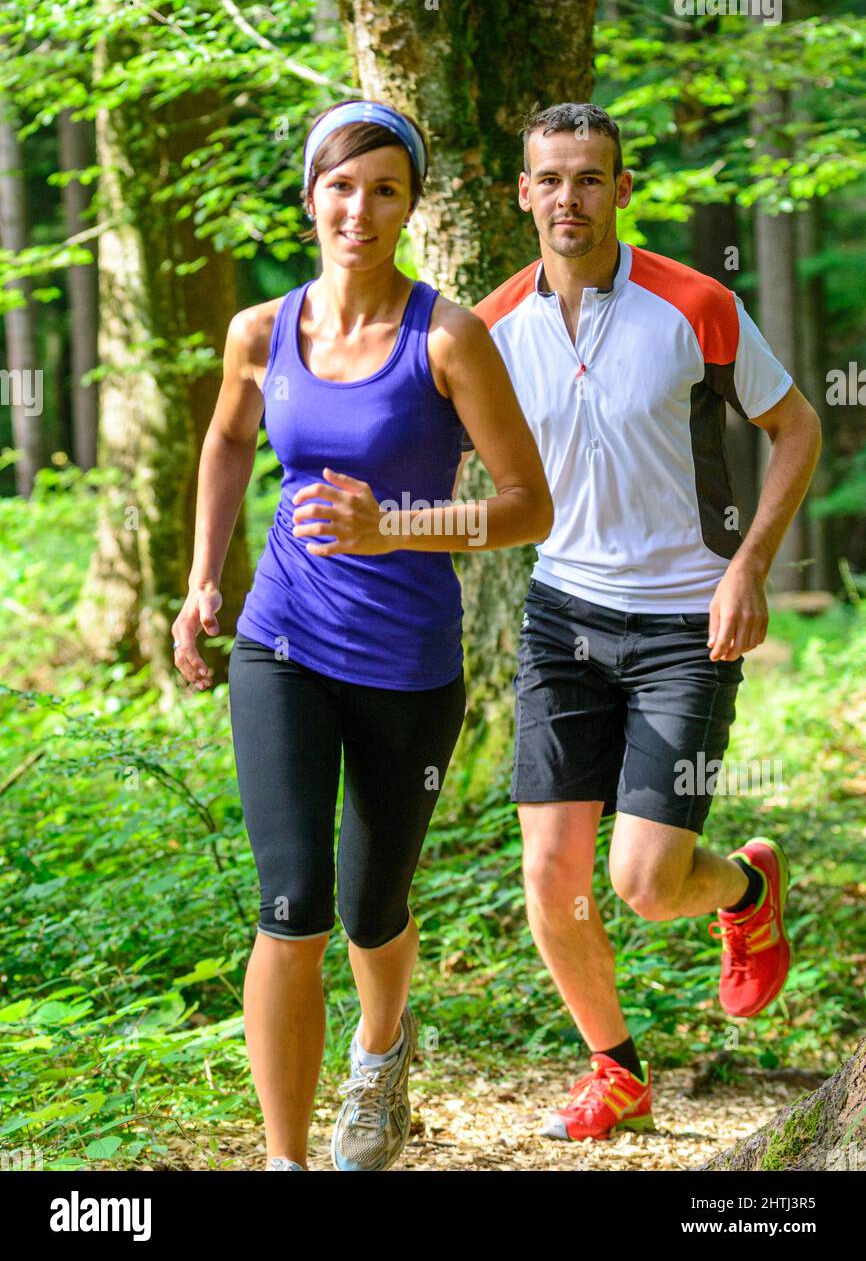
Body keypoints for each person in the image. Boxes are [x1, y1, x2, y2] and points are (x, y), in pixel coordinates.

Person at [171, 99, 552, 1172]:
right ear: (310, 198)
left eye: (384, 188)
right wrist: (205, 580)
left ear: (409, 205)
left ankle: (380, 1050)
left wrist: (394, 527)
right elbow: (227, 441)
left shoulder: (447, 337)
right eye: (340, 186)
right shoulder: (262, 331)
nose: (360, 208)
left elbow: (528, 505)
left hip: (407, 667)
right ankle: (287, 1159)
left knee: (368, 909)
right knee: (290, 905)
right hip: (280, 643)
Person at [455, 101, 822, 1143]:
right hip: (561, 615)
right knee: (550, 875)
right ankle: (614, 1068)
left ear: (620, 190)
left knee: (646, 884)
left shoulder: (693, 304)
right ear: (521, 194)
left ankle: (745, 886)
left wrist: (745, 565)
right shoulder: (489, 329)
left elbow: (794, 428)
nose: (567, 197)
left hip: (680, 621)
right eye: (548, 179)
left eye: (588, 177)